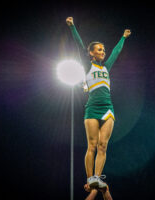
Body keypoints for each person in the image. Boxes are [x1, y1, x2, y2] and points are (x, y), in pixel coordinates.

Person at [66, 16, 131, 189]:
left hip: (108, 108)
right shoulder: (88, 66)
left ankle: (97, 177)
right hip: (92, 108)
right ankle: (89, 179)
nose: (103, 52)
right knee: (92, 145)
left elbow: (116, 53)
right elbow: (80, 47)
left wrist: (123, 37)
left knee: (103, 146)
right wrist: (72, 26)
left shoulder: (106, 67)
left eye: (103, 50)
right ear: (91, 53)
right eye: (100, 50)